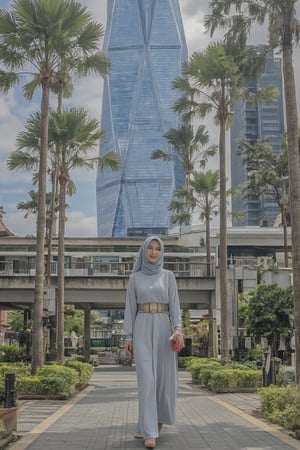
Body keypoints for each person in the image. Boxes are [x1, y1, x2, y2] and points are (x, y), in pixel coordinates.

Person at [124, 236, 184, 449]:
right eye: (150, 247)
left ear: (162, 252)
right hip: (141, 327)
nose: (153, 251)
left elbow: (175, 306)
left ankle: (152, 422)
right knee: (147, 380)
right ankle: (150, 432)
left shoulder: (168, 276)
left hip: (163, 329)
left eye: (158, 248)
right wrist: (128, 336)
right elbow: (130, 307)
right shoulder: (135, 278)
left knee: (162, 381)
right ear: (144, 250)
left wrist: (178, 329)